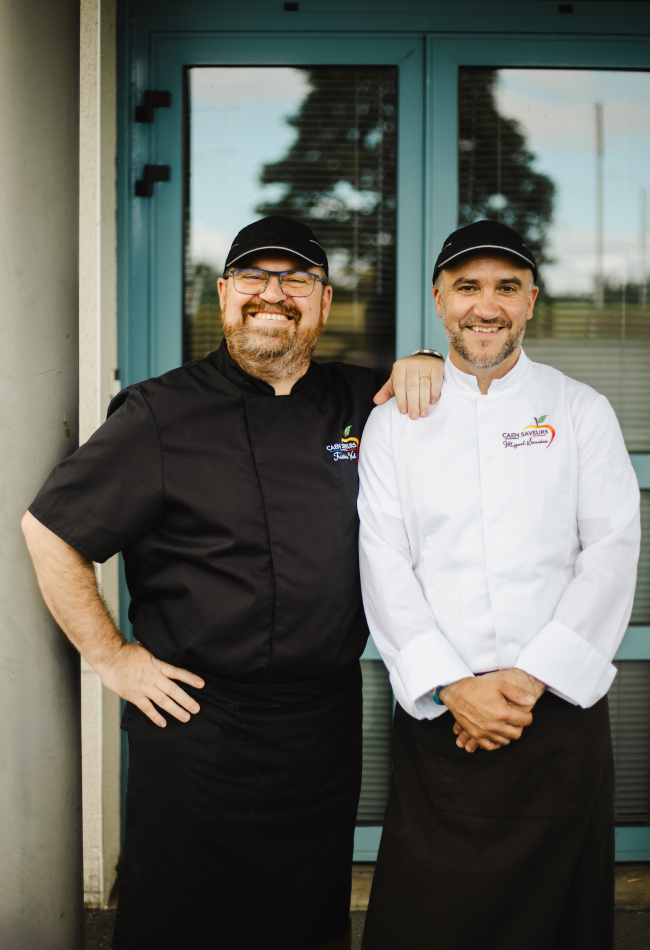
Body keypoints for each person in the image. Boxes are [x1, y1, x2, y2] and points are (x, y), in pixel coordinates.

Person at [21, 215, 445, 950]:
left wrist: (426, 359)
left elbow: (461, 430)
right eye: (254, 276)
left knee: (308, 915)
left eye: (295, 280)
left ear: (323, 301)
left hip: (320, 727)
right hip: (196, 728)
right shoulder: (159, 413)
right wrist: (113, 657)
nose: (272, 295)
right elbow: (51, 530)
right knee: (182, 920)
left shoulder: (362, 404)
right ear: (222, 295)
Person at [357, 220, 641, 950]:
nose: (487, 306)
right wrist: (453, 686)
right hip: (443, 719)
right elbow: (384, 560)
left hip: (556, 718)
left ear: (532, 301)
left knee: (560, 923)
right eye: (468, 287)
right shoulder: (394, 423)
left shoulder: (580, 411)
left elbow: (610, 551)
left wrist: (528, 680)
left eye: (507, 288)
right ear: (439, 300)